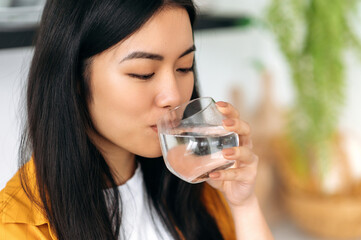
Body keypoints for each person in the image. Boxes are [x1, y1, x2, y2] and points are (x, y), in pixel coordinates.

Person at [0, 0, 274, 239]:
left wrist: (244, 205)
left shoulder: (194, 186)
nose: (173, 95)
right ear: (73, 79)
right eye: (143, 73)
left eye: (184, 67)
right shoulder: (15, 227)